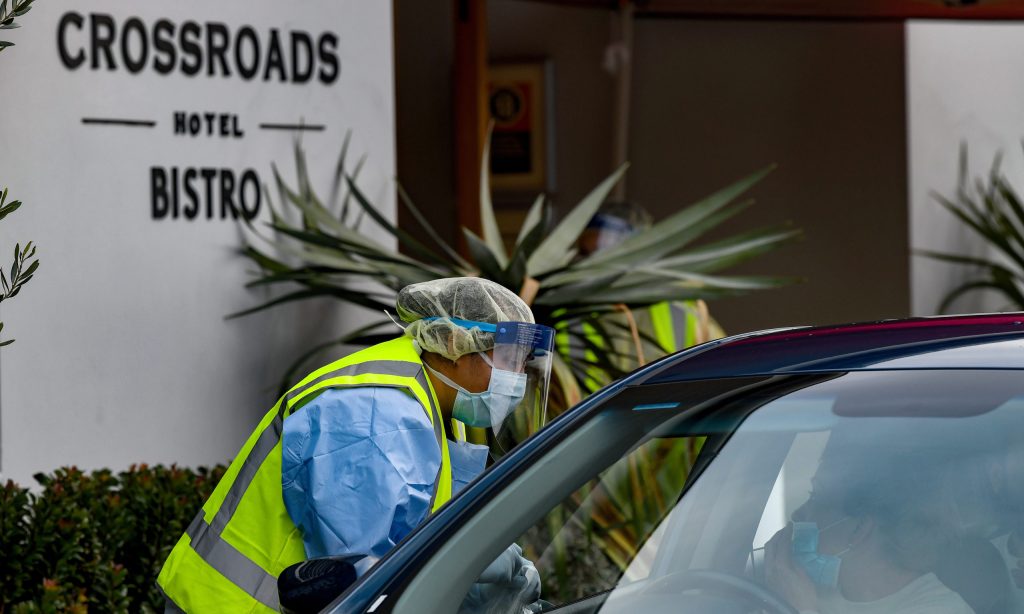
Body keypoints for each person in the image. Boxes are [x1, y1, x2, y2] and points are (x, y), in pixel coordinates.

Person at [157, 277, 555, 613]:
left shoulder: (436, 401)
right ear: (452, 344)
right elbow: (370, 581)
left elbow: (422, 531)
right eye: (508, 359)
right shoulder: (375, 415)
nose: (517, 377)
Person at [764, 440, 973, 614]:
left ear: (860, 528)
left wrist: (799, 611)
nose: (797, 513)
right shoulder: (808, 590)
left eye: (816, 496)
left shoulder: (941, 609)